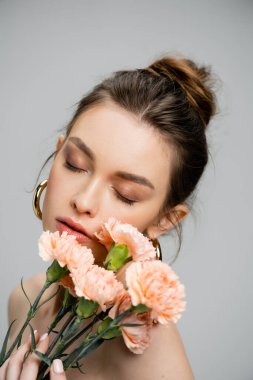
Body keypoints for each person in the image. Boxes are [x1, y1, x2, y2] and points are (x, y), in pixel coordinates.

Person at [1, 54, 217, 379]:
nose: (83, 201)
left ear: (166, 220)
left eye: (125, 194)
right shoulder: (24, 300)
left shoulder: (149, 349)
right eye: (73, 164)